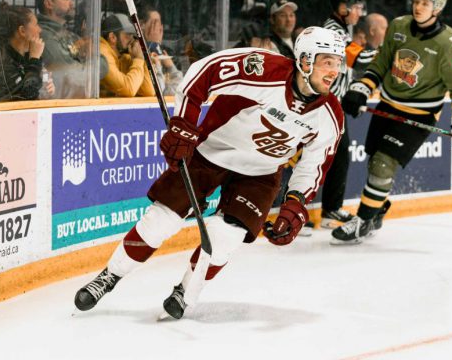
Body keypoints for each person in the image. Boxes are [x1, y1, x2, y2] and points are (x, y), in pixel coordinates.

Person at [74, 27, 346, 319]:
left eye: (338, 62)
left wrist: (295, 205)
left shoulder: (330, 116)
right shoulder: (263, 69)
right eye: (327, 61)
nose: (335, 70)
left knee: (224, 237)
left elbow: (313, 167)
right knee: (161, 219)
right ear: (305, 60)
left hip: (260, 174)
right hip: (211, 152)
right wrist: (184, 124)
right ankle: (110, 275)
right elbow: (204, 72)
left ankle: (186, 291)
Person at [332, 0, 452, 244]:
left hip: (418, 116)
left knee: (382, 163)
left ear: (438, 8)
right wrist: (361, 89)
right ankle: (376, 211)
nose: (418, 7)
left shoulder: (450, 43)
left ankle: (362, 221)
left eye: (425, 3)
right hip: (388, 105)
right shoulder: (398, 26)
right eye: (417, 1)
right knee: (374, 159)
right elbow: (381, 63)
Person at [318, 0, 375, 229]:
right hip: (324, 105)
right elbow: (359, 58)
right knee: (336, 156)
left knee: (336, 156)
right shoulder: (333, 31)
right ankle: (329, 209)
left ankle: (329, 208)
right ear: (343, 7)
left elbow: (345, 70)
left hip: (331, 104)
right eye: (357, 7)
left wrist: (351, 93)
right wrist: (387, 54)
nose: (360, 13)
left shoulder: (339, 30)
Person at [35, 0, 108, 98]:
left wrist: (87, 58)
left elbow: (104, 67)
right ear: (49, 4)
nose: (72, 3)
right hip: (58, 107)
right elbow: (71, 75)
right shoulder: (44, 36)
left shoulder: (68, 34)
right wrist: (89, 56)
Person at [0, 3, 55, 102]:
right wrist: (34, 59)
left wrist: (46, 87)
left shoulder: (25, 54)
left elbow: (33, 88)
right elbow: (26, 96)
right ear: (22, 31)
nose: (40, 29)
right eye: (36, 24)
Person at [99, 13, 154, 97]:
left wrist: (143, 59)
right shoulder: (102, 54)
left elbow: (149, 90)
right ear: (112, 37)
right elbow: (128, 90)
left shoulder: (123, 56)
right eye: (128, 35)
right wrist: (138, 59)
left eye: (133, 35)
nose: (132, 39)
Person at [138, 5, 183, 96]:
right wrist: (153, 45)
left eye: (159, 23)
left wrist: (155, 46)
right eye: (154, 23)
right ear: (141, 25)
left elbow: (178, 89)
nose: (158, 28)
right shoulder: (136, 53)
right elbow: (157, 90)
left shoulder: (167, 53)